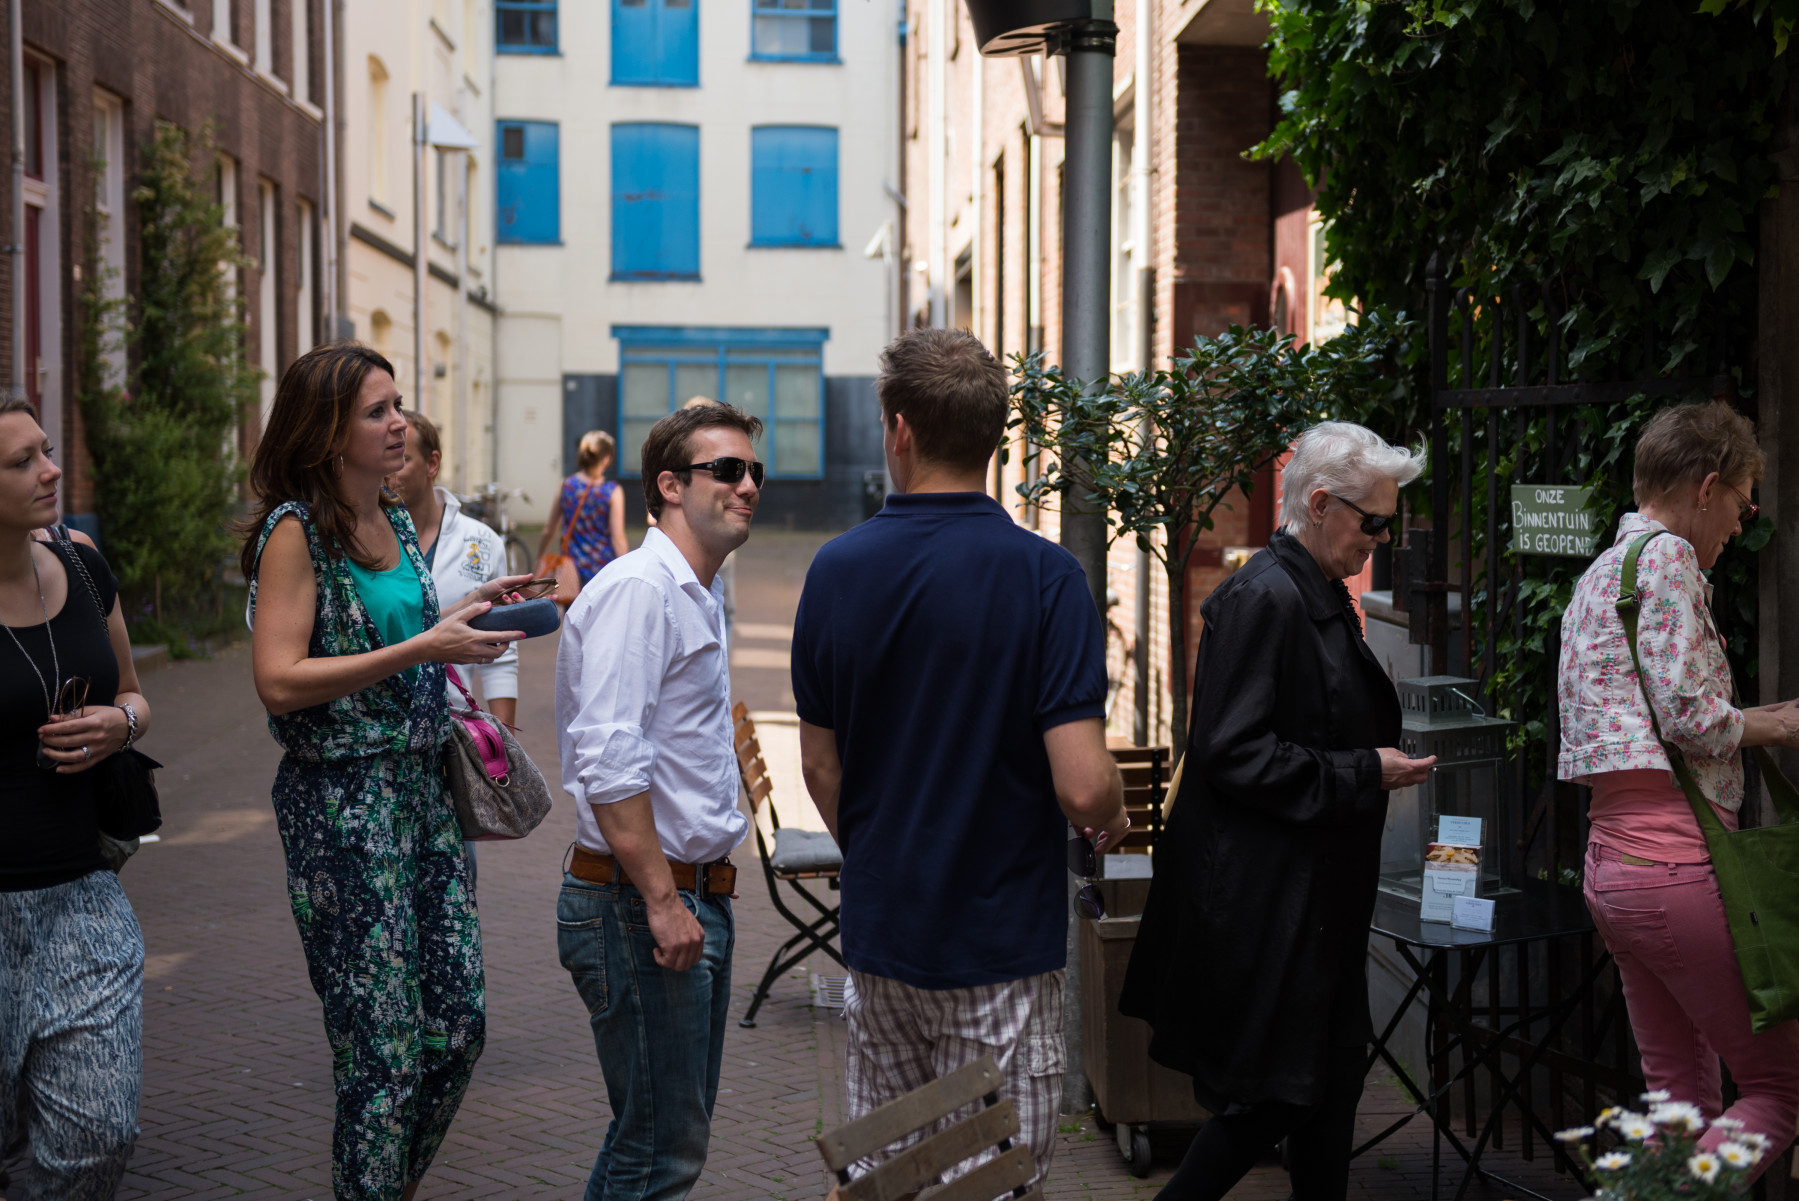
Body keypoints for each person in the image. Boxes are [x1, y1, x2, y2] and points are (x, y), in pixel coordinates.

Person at [790, 327, 1129, 1191]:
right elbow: (1082, 784)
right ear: (994, 437)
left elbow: (819, 767)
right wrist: (1114, 807)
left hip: (883, 934)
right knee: (987, 1181)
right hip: (997, 945)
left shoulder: (834, 570)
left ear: (899, 430)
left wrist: (880, 852)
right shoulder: (1047, 578)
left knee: (892, 1178)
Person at [1119, 421, 1436, 1201]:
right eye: (1372, 522)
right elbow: (1231, 751)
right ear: (1320, 505)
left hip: (1315, 901)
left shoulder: (1311, 588)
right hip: (1277, 906)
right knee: (1276, 1097)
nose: (1380, 539)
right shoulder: (1265, 596)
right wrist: (1363, 771)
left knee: (1329, 1083)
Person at [242, 343, 530, 1201]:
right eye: (378, 411)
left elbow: (394, 629)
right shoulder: (295, 531)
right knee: (382, 1054)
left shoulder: (394, 517)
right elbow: (279, 679)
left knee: (459, 1026)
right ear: (328, 432)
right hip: (343, 806)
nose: (400, 422)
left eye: (397, 405)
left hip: (420, 793)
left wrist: (467, 610)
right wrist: (426, 645)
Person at [1558, 400, 1799, 1174]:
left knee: (1678, 1101)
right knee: (1779, 1089)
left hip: (1613, 870)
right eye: (1741, 503)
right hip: (1675, 869)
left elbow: (1649, 715)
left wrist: (1760, 718)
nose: (1738, 523)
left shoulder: (1599, 576)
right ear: (1706, 487)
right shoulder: (1666, 559)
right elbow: (1690, 717)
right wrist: (1778, 726)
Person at [554, 402, 762, 1201]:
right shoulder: (641, 590)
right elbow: (610, 765)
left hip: (678, 897)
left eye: (754, 471)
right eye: (727, 470)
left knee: (661, 1140)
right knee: (658, 1151)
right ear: (669, 485)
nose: (748, 485)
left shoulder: (694, 590)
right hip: (639, 904)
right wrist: (663, 902)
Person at [0, 397, 153, 1200]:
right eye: (22, 461)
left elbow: (133, 691)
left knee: (98, 1134)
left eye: (47, 450)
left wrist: (118, 725)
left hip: (81, 893)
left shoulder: (83, 563)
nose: (51, 470)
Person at [388, 411, 518, 728]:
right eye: (384, 457)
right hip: (378, 729)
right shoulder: (362, 541)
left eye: (402, 459)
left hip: (452, 729)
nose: (389, 472)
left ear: (432, 464)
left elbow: (500, 649)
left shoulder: (481, 541)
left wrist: (505, 740)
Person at [538, 429, 629, 590]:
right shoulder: (612, 491)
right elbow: (618, 538)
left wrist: (539, 558)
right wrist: (627, 571)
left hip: (571, 572)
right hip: (603, 572)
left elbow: (549, 530)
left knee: (572, 606)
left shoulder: (566, 485)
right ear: (606, 459)